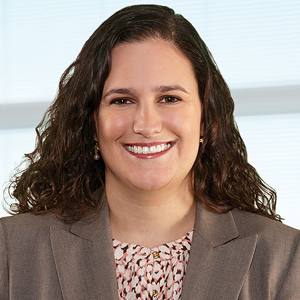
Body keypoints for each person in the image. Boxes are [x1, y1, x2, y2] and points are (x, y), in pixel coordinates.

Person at [0, 4, 299, 300]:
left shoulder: (284, 258)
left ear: (206, 118)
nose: (146, 125)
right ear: (90, 122)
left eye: (169, 98)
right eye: (121, 100)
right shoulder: (11, 251)